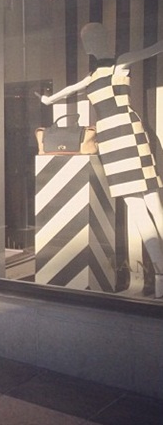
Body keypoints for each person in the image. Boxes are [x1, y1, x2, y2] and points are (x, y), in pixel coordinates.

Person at [38, 22, 163, 298]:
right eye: (86, 41)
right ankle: (160, 274)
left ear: (103, 38)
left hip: (127, 131)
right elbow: (68, 90)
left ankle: (161, 275)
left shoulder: (121, 63)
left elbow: (153, 49)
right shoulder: (92, 75)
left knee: (153, 201)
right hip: (109, 137)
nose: (89, 46)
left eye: (92, 38)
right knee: (136, 205)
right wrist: (48, 100)